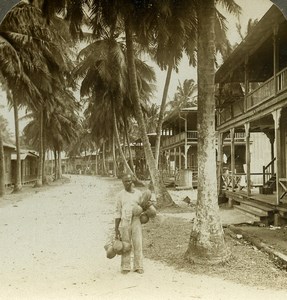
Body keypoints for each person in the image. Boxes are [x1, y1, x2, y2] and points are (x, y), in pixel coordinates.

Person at [115, 174, 148, 274]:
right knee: (125, 244)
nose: (128, 183)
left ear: (132, 181)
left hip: (136, 220)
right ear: (122, 182)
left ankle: (138, 266)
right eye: (126, 181)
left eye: (129, 180)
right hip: (125, 221)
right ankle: (125, 266)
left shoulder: (138, 193)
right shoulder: (120, 195)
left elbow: (144, 206)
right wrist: (116, 228)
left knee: (138, 243)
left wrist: (145, 212)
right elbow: (117, 212)